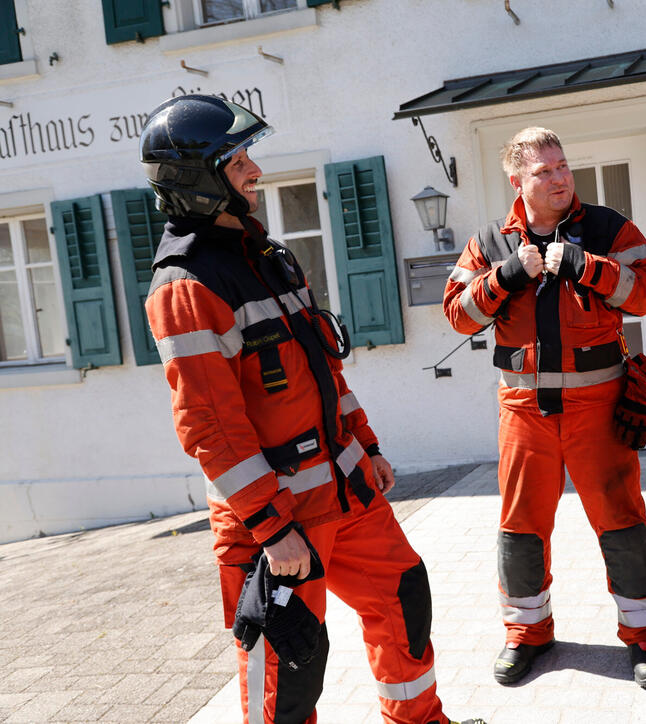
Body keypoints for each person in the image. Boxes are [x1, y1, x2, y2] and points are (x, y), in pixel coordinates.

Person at [140, 94, 483, 724]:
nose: (254, 170)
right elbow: (209, 428)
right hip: (277, 516)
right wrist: (271, 529)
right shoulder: (184, 286)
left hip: (346, 490)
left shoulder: (269, 256)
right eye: (236, 158)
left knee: (403, 596)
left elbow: (325, 373)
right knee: (287, 671)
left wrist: (369, 446)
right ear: (198, 179)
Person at [442, 127, 646, 689]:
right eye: (545, 171)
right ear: (517, 179)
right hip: (522, 410)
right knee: (520, 529)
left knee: (622, 524)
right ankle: (527, 634)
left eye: (563, 165)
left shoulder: (608, 228)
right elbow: (457, 314)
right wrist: (510, 274)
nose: (561, 177)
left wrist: (586, 265)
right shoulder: (490, 242)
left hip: (599, 406)